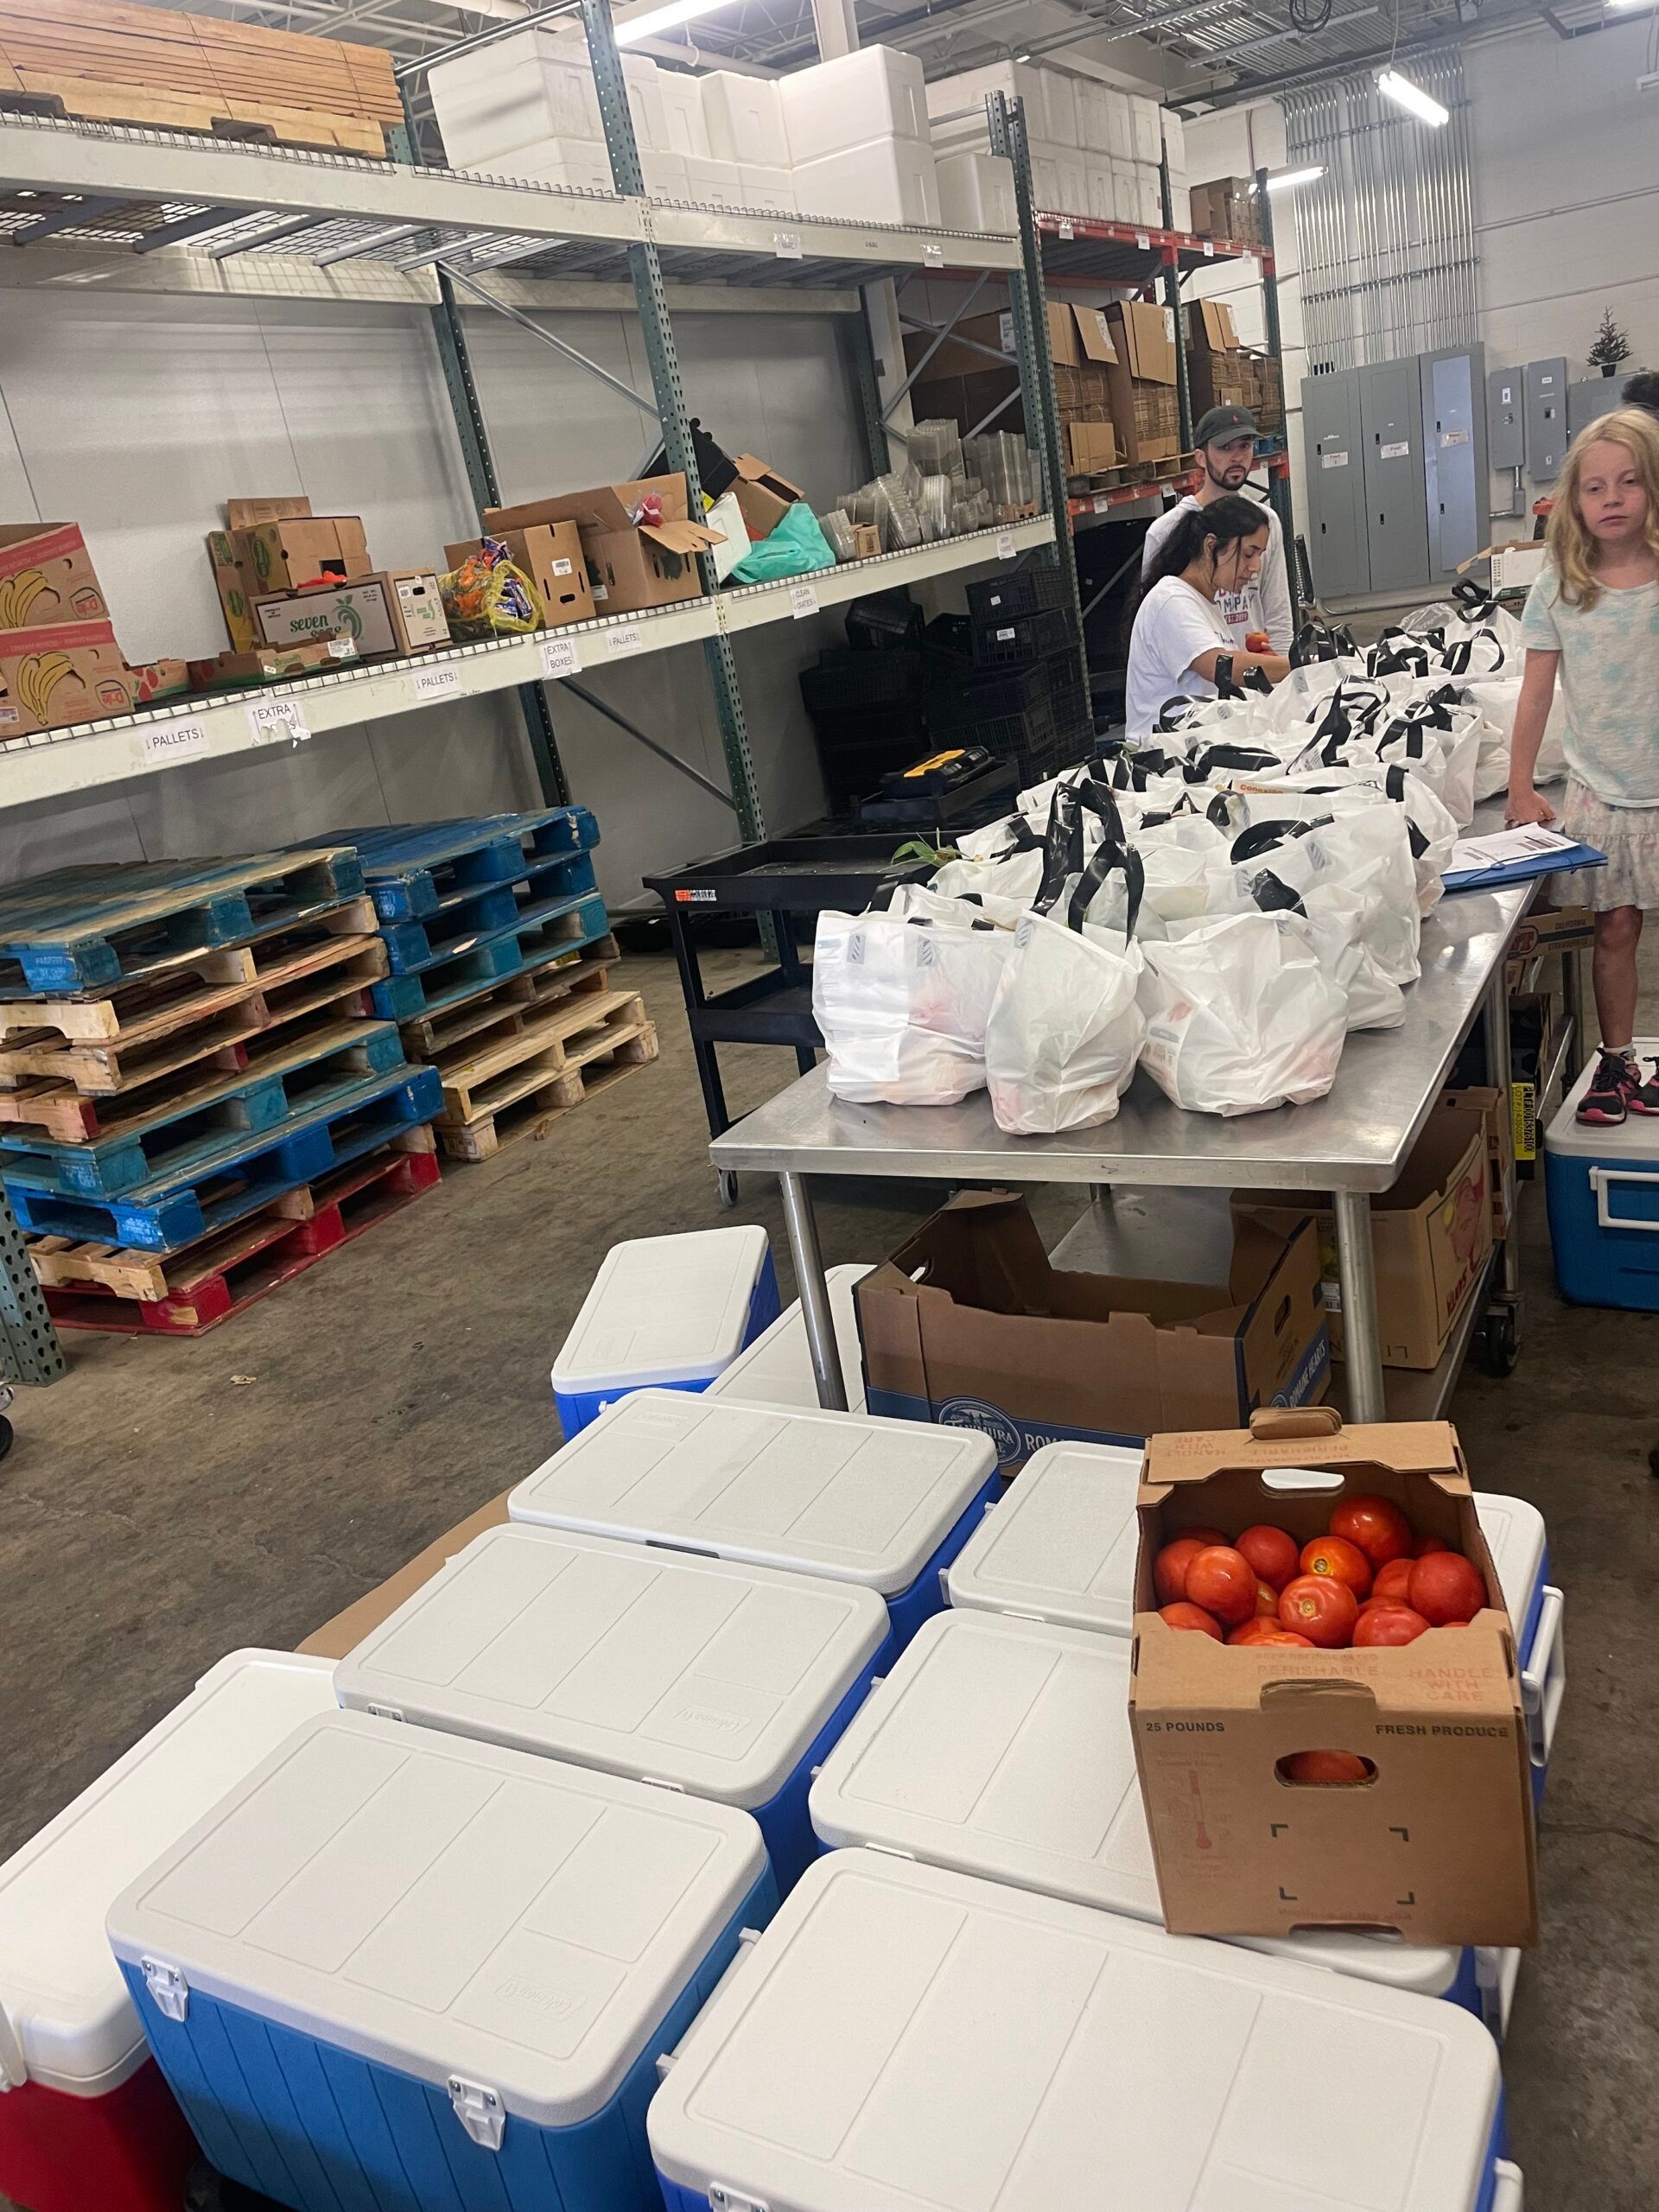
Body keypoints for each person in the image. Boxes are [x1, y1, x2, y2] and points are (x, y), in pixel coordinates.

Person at [1505, 407, 1659, 1126]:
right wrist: (1520, 783)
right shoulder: (1561, 586)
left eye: (1629, 482)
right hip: (1604, 790)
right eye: (1595, 487)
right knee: (1615, 931)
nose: (1613, 499)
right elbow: (1536, 693)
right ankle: (1617, 1061)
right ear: (1573, 500)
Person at [1125, 494, 1291, 741]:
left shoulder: (1206, 604)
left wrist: (1263, 668)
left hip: (1195, 748)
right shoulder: (1171, 599)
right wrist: (1297, 666)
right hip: (1165, 759)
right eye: (1248, 554)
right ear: (1211, 546)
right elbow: (1220, 667)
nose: (1256, 567)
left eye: (1260, 555)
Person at [1140, 404, 1294, 653]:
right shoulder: (1166, 529)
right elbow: (1155, 623)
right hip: (1197, 683)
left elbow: (1278, 614)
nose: (1237, 457)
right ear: (1200, 457)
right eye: (1224, 447)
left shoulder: (1266, 522)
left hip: (1258, 679)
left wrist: (1285, 679)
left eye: (1244, 446)